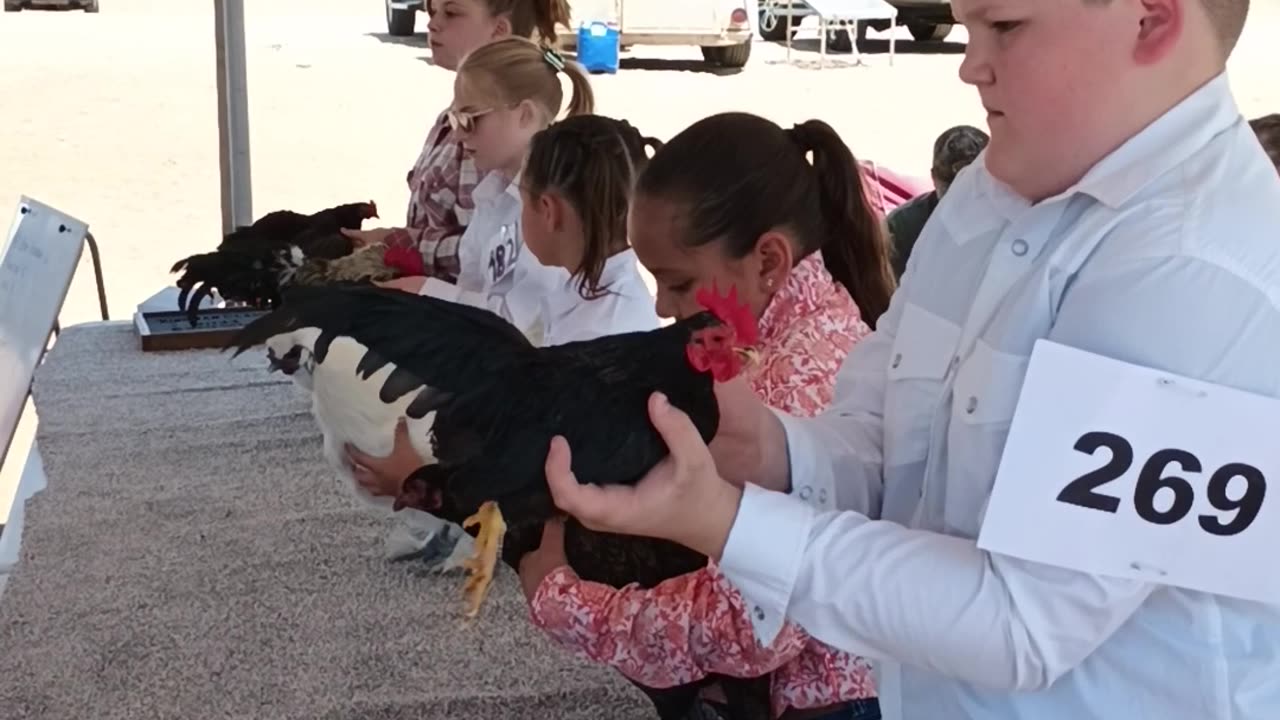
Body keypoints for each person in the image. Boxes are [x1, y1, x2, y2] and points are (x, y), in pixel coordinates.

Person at [543, 1, 1280, 718]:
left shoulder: (1195, 270)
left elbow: (1021, 625)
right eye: (966, 27)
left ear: (1151, 19)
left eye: (1005, 27)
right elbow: (891, 441)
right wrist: (766, 445)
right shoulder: (992, 194)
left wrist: (727, 521)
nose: (969, 66)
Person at [518, 112, 891, 720]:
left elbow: (751, 624)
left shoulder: (800, 380)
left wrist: (569, 603)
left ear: (768, 260)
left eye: (680, 282)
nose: (663, 306)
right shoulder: (794, 343)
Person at [341, 0, 571, 282]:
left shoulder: (494, 148)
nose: (433, 23)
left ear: (499, 29)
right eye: (432, 11)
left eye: (452, 13)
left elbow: (478, 256)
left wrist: (398, 245)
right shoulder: (469, 125)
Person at [883, 125, 988, 278]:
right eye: (953, 192)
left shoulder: (1021, 216)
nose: (965, 202)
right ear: (933, 178)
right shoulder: (901, 228)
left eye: (976, 189)